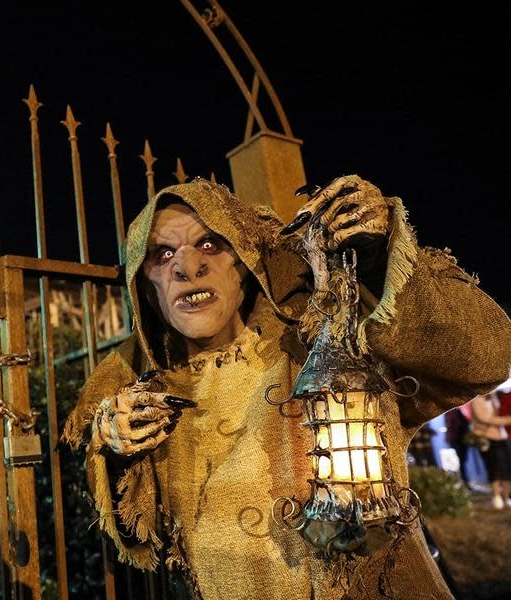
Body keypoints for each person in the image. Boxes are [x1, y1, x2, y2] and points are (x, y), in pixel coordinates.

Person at [62, 175, 511, 599]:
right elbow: (138, 533)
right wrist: (118, 451)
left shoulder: (327, 337)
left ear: (244, 260)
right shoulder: (138, 388)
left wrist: (377, 264)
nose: (186, 267)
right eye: (162, 254)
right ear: (146, 285)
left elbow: (489, 356)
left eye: (209, 243)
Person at [470, 392, 511, 509]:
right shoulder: (476, 400)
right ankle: (496, 496)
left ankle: (506, 496)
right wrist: (507, 420)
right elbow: (484, 418)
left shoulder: (493, 397)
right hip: (488, 438)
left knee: (507, 468)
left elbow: (498, 411)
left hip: (501, 436)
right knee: (495, 468)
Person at [444, 405, 473, 487]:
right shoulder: (452, 412)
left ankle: (465, 481)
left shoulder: (455, 412)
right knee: (462, 461)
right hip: (458, 439)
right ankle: (465, 481)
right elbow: (456, 425)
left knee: (463, 461)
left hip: (459, 439)